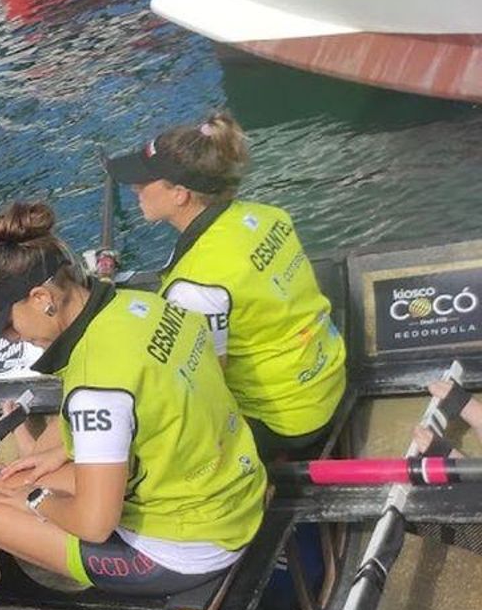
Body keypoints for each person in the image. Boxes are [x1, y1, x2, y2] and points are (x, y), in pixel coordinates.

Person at [0, 201, 267, 607]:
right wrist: (53, 458)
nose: (9, 339)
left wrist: (36, 498)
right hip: (229, 496)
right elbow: (156, 408)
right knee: (5, 484)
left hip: (178, 550)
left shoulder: (97, 385)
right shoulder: (147, 305)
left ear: (42, 299)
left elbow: (95, 523)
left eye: (7, 326)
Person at [105, 112, 346, 461]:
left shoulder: (196, 282)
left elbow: (202, 384)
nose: (135, 188)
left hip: (287, 422)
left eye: (145, 181)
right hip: (328, 379)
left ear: (180, 194)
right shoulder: (269, 216)